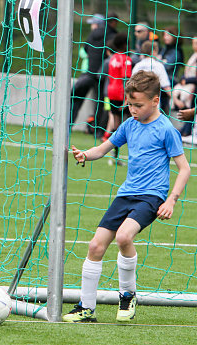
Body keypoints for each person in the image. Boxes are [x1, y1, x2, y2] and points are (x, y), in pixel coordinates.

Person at [63, 70, 190, 323]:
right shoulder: (129, 125)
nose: (132, 109)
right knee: (95, 246)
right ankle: (86, 308)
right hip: (126, 195)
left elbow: (184, 168)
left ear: (155, 101)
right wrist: (85, 154)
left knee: (123, 237)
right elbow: (104, 148)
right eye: (130, 104)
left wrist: (171, 200)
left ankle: (128, 295)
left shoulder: (166, 129)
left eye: (138, 105)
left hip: (152, 196)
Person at [70, 13, 119, 137]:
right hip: (102, 75)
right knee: (101, 104)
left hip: (88, 73)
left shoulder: (92, 34)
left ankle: (65, 126)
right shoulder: (113, 36)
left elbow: (86, 49)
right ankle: (98, 132)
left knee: (74, 99)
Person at [102, 33, 133, 166]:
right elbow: (126, 79)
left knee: (116, 124)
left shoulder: (112, 58)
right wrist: (127, 99)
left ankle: (114, 156)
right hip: (121, 94)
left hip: (111, 92)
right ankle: (127, 156)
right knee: (131, 124)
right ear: (125, 44)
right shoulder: (126, 59)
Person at [132, 40, 172, 113]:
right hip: (153, 103)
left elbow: (131, 85)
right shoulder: (158, 65)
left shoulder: (138, 66)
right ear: (153, 51)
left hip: (139, 102)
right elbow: (166, 86)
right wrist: (175, 99)